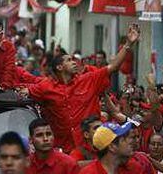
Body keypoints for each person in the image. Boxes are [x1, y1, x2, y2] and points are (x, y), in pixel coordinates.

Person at [18, 25, 140, 153]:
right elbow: (24, 92)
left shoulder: (89, 79)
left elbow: (113, 67)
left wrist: (128, 44)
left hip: (92, 150)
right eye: (69, 60)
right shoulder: (45, 87)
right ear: (59, 67)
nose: (74, 62)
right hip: (63, 151)